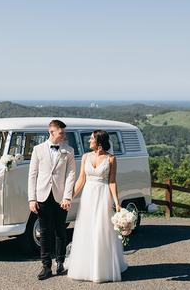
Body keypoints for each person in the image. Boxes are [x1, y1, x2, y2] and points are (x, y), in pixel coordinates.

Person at [66, 129, 128, 283]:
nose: (89, 141)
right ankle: (85, 266)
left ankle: (101, 269)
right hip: (88, 196)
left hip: (103, 196)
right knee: (87, 229)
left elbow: (112, 182)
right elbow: (81, 180)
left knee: (101, 230)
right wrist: (69, 197)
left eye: (91, 139)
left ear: (99, 143)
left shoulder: (111, 159)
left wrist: (117, 202)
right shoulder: (86, 157)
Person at [27, 119, 77, 280]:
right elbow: (32, 175)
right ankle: (46, 266)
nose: (64, 135)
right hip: (42, 196)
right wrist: (31, 199)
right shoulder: (38, 149)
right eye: (61, 133)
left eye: (64, 133)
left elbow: (71, 175)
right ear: (51, 132)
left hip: (61, 197)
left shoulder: (69, 151)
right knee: (44, 232)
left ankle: (60, 262)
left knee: (60, 231)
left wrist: (67, 196)